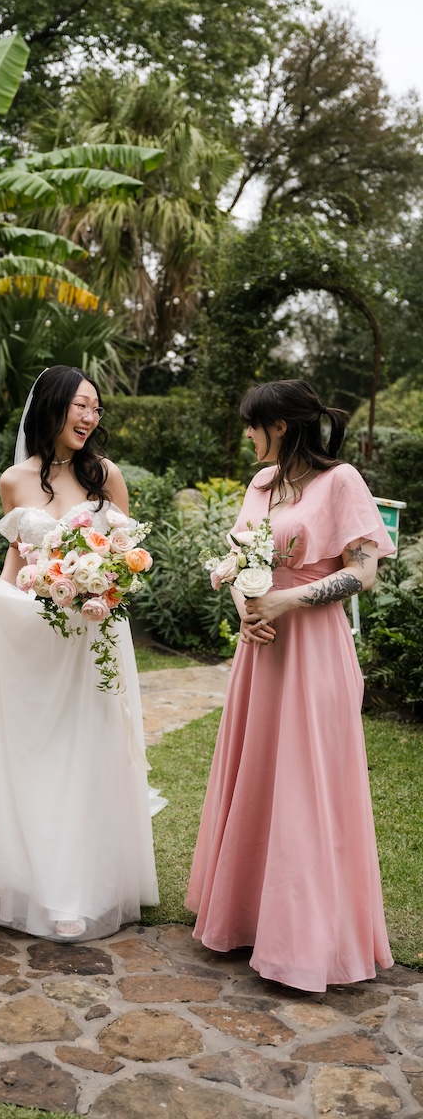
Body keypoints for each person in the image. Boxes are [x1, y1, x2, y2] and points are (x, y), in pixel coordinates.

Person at [186, 378, 394, 992]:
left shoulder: (342, 481)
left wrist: (286, 600)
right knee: (258, 778)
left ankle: (304, 938)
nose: (247, 435)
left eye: (253, 425)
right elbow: (240, 559)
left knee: (306, 785)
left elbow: (365, 571)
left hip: (312, 651)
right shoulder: (260, 484)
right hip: (261, 650)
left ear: (279, 425)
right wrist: (245, 608)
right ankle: (249, 917)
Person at [0, 365, 159, 942]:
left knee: (85, 755)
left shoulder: (106, 476)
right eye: (80, 406)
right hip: (39, 635)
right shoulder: (15, 480)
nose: (89, 417)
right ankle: (35, 880)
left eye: (96, 408)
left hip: (94, 634)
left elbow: (127, 555)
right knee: (36, 756)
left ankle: (76, 891)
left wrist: (104, 585)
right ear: (54, 407)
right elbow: (18, 563)